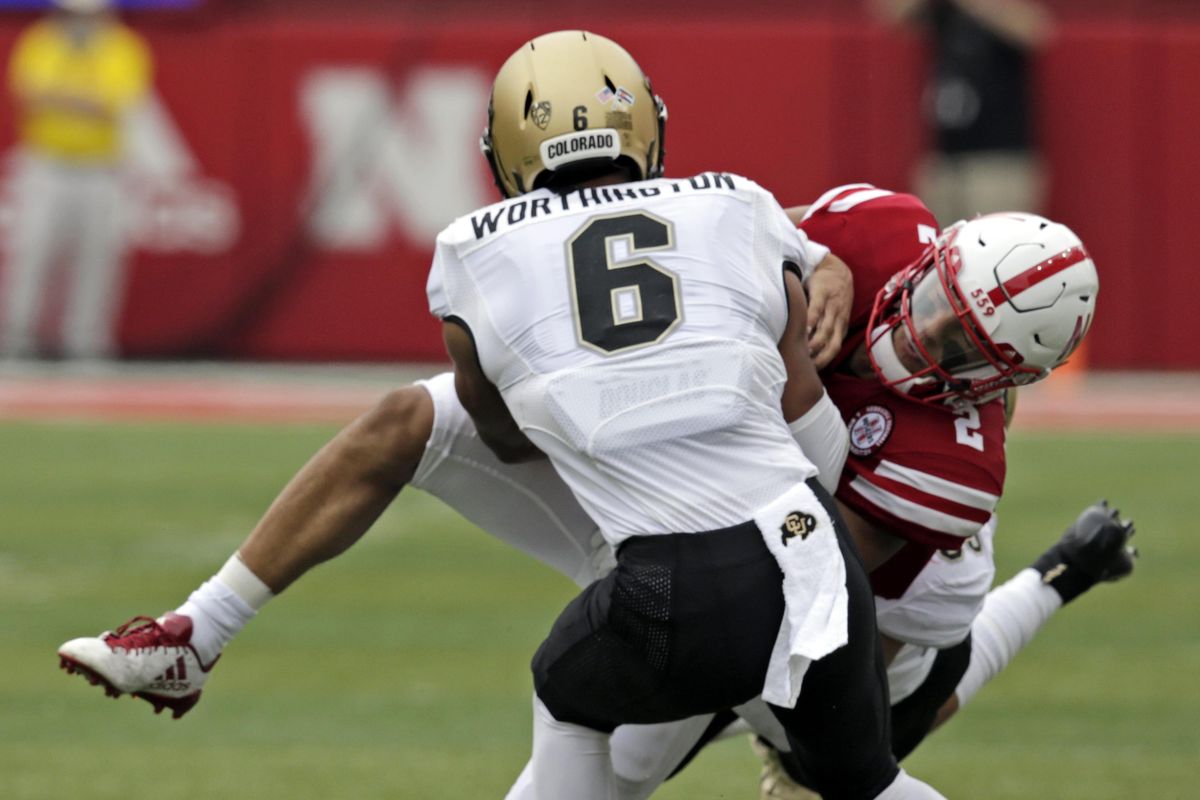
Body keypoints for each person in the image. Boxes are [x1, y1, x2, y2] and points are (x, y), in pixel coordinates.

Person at [63, 30, 941, 800]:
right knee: (861, 784)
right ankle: (196, 631)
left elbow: (504, 434)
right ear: (646, 126)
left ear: (507, 152)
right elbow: (799, 379)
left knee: (581, 709)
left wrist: (594, 399)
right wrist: (817, 274)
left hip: (676, 573)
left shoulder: (476, 252)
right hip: (816, 555)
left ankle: (198, 637)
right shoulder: (738, 206)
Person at [2, 0, 152, 359]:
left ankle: (85, 342)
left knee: (97, 258)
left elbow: (115, 104)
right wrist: (83, 100)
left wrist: (62, 97)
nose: (80, 22)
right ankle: (16, 338)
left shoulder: (122, 47)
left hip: (101, 168)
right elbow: (29, 95)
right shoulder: (42, 41)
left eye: (88, 14)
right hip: (48, 163)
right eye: (73, 14)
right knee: (33, 251)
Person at [872, 0, 1053, 227]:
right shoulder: (943, 14)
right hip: (945, 158)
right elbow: (891, 15)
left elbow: (1036, 31)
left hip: (997, 160)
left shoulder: (998, 12)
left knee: (995, 247)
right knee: (938, 251)